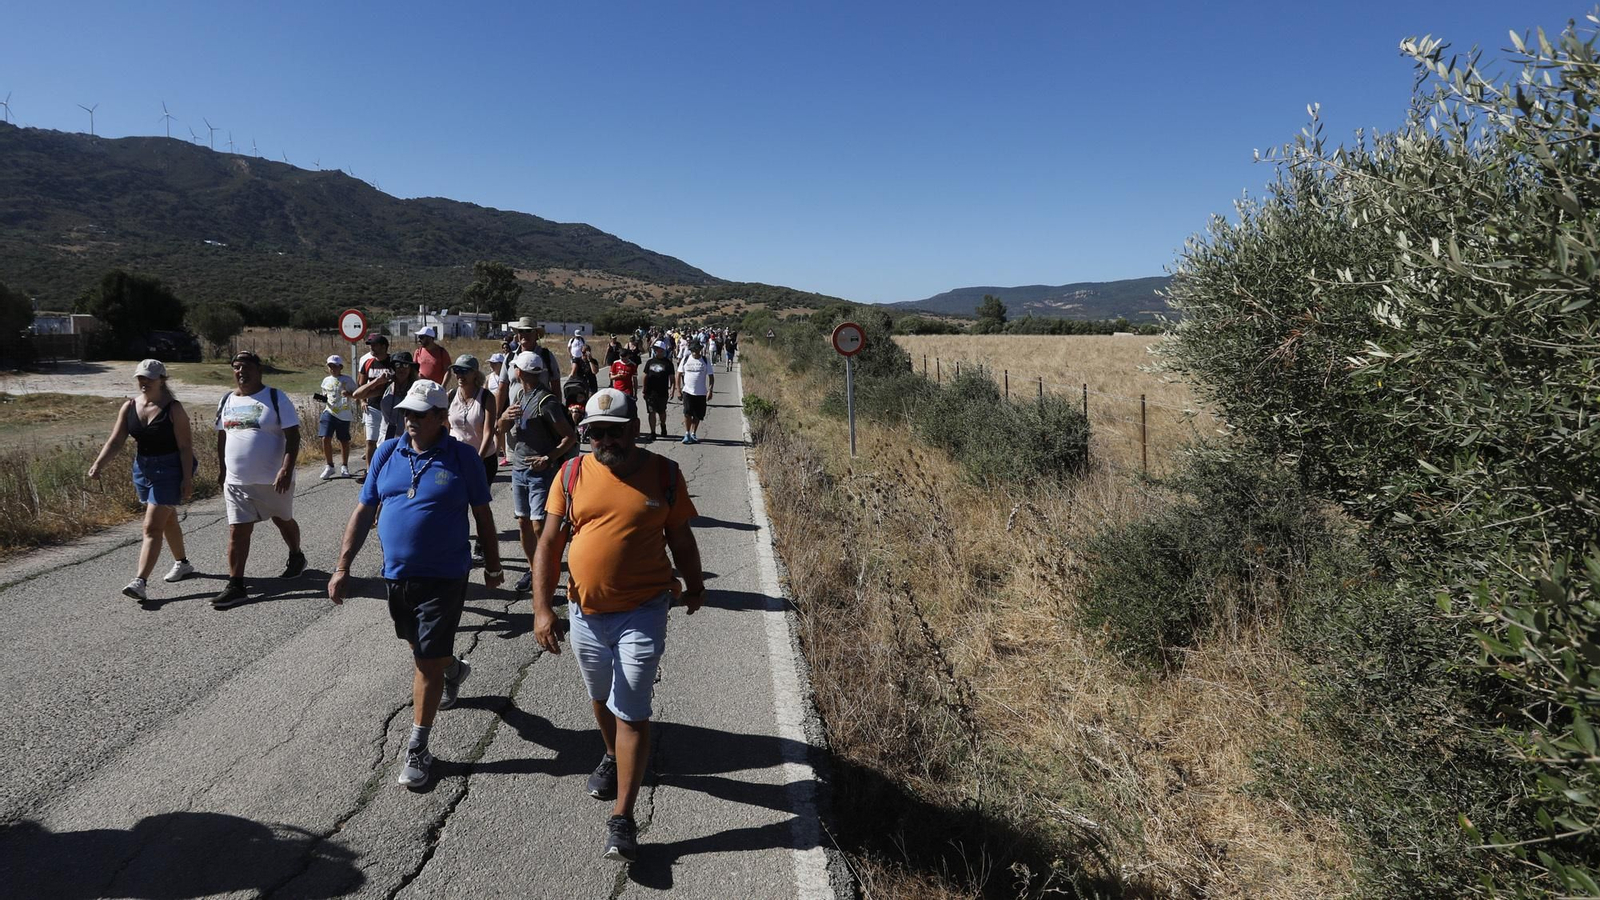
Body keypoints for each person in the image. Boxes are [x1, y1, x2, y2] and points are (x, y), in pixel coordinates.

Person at [531, 387, 704, 862]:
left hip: (644, 610)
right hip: (585, 612)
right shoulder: (570, 474)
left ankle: (623, 818)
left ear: (634, 429)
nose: (605, 440)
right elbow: (548, 545)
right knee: (600, 696)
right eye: (595, 432)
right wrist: (542, 609)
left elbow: (681, 538)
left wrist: (695, 585)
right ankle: (611, 756)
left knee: (630, 706)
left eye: (615, 431)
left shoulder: (664, 475)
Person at [328, 378, 504, 789]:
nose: (409, 420)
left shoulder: (462, 458)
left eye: (419, 414)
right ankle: (454, 668)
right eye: (406, 412)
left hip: (445, 575)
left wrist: (493, 566)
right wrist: (342, 566)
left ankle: (419, 746)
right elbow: (363, 510)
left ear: (442, 418)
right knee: (419, 646)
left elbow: (483, 516)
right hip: (397, 575)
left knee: (424, 661)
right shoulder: (388, 452)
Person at [88, 359, 196, 601]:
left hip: (170, 470)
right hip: (143, 469)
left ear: (162, 379)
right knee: (167, 521)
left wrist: (187, 478)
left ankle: (140, 582)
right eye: (140, 377)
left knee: (151, 526)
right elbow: (116, 442)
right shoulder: (129, 407)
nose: (144, 382)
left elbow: (186, 447)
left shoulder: (174, 409)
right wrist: (98, 464)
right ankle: (183, 563)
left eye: (149, 377)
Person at [210, 350, 306, 610]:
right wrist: (223, 470)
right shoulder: (226, 400)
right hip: (237, 481)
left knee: (283, 520)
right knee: (238, 530)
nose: (241, 371)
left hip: (273, 480)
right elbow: (222, 437)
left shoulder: (275, 397)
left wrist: (286, 469)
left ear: (259, 370)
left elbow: (293, 436)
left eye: (246, 367)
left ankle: (296, 555)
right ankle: (236, 585)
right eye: (236, 367)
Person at [499, 350, 578, 594]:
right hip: (520, 469)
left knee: (538, 525)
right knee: (523, 522)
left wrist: (548, 458)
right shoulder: (521, 396)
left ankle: (547, 571)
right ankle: (535, 570)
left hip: (541, 472)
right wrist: (503, 417)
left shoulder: (547, 401)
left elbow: (569, 437)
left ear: (518, 372)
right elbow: (500, 428)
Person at [447, 354, 499, 486]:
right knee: (457, 502)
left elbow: (489, 431)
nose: (460, 375)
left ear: (475, 373)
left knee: (479, 504)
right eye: (457, 371)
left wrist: (478, 460)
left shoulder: (486, 397)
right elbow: (446, 427)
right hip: (457, 458)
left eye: (464, 371)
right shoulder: (451, 395)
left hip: (483, 459)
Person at [356, 335, 394, 468]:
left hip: (390, 407)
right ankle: (369, 472)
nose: (371, 348)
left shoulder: (393, 362)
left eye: (374, 345)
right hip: (371, 407)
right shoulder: (367, 363)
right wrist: (362, 401)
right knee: (370, 441)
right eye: (370, 346)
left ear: (384, 347)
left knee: (385, 442)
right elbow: (360, 384)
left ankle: (384, 469)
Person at [316, 355, 357, 480]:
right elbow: (325, 396)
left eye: (335, 366)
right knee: (325, 438)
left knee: (343, 440)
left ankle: (344, 466)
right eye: (330, 366)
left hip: (343, 414)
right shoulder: (326, 380)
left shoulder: (348, 380)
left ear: (341, 367)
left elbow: (357, 395)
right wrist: (320, 398)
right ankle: (329, 466)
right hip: (329, 412)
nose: (332, 368)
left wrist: (349, 394)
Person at [675, 340, 714, 444]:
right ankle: (687, 433)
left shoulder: (705, 360)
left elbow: (711, 376)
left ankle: (693, 433)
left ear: (700, 350)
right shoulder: (686, 359)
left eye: (697, 349)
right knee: (687, 413)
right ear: (691, 350)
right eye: (693, 350)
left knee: (697, 415)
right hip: (688, 392)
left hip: (701, 393)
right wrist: (678, 390)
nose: (695, 352)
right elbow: (678, 374)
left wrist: (710, 390)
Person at [640, 340, 674, 442]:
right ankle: (653, 432)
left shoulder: (668, 363)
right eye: (655, 349)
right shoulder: (650, 362)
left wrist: (672, 389)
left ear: (663, 350)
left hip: (662, 392)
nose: (656, 351)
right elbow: (645, 376)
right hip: (650, 392)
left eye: (658, 349)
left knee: (662, 412)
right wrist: (644, 389)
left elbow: (672, 378)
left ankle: (663, 425)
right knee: (651, 412)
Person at [485, 353, 508, 465]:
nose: (491, 365)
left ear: (501, 364)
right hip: (491, 407)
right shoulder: (489, 377)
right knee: (497, 431)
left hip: (503, 406)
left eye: (494, 363)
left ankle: (501, 454)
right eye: (490, 363)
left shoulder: (506, 377)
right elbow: (484, 391)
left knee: (500, 431)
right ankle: (499, 454)